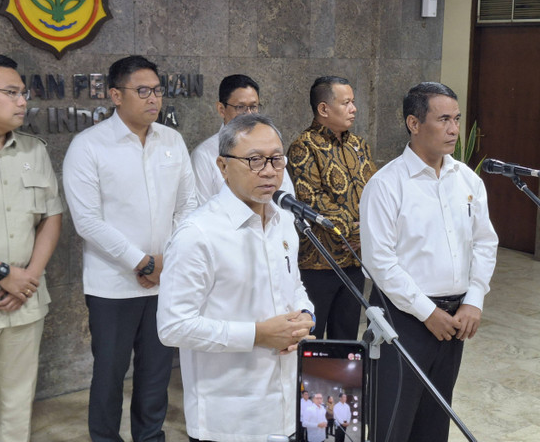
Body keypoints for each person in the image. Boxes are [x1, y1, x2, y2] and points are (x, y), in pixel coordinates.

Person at [157, 113, 316, 442]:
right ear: (223, 166)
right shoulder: (197, 234)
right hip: (227, 416)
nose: (269, 171)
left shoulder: (284, 221)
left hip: (285, 401)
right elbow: (173, 326)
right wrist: (257, 335)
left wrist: (305, 316)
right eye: (255, 160)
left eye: (276, 159)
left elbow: (294, 284)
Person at [63, 55, 197, 442]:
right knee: (109, 372)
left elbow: (187, 206)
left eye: (157, 90)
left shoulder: (172, 140)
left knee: (156, 372)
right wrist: (140, 262)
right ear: (115, 95)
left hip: (165, 279)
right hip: (112, 286)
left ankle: (149, 436)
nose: (154, 98)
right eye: (143, 91)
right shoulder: (88, 146)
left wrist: (164, 261)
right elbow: (87, 221)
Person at [360, 82, 499, 441]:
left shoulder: (467, 180)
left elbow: (485, 242)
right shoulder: (387, 184)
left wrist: (474, 300)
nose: (454, 129)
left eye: (456, 119)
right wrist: (426, 311)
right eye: (443, 120)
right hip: (403, 319)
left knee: (435, 424)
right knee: (393, 422)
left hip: (455, 320)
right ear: (414, 123)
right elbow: (380, 262)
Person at [0, 53, 63, 441]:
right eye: (11, 92)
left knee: (17, 402)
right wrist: (3, 274)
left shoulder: (33, 150)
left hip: (25, 297)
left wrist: (28, 278)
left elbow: (51, 217)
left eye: (23, 93)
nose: (22, 101)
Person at [287, 76, 376, 340]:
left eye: (353, 102)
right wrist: (355, 230)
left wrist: (371, 230)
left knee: (346, 335)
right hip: (319, 264)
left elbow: (374, 191)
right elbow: (310, 200)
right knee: (312, 337)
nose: (353, 108)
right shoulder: (304, 146)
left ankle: (342, 383)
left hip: (354, 260)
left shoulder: (359, 145)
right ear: (324, 109)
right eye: (346, 102)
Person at [190, 74, 293, 204]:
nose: (249, 114)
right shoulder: (204, 154)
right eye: (240, 107)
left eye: (253, 107)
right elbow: (202, 209)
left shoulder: (271, 147)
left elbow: (286, 201)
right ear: (221, 109)